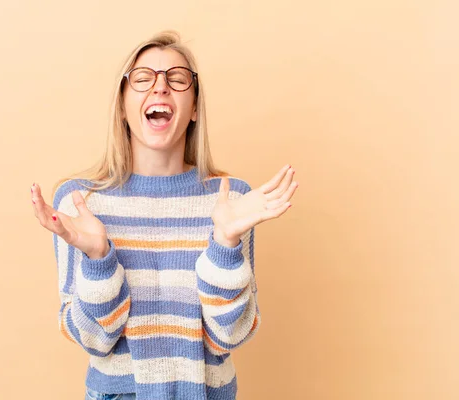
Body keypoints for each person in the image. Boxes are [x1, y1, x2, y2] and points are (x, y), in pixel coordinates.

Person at [31, 31, 298, 400]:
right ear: (122, 105)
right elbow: (93, 340)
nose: (160, 88)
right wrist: (97, 258)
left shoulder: (230, 200)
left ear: (194, 108)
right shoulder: (81, 202)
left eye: (177, 79)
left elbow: (229, 336)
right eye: (143, 79)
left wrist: (225, 243)